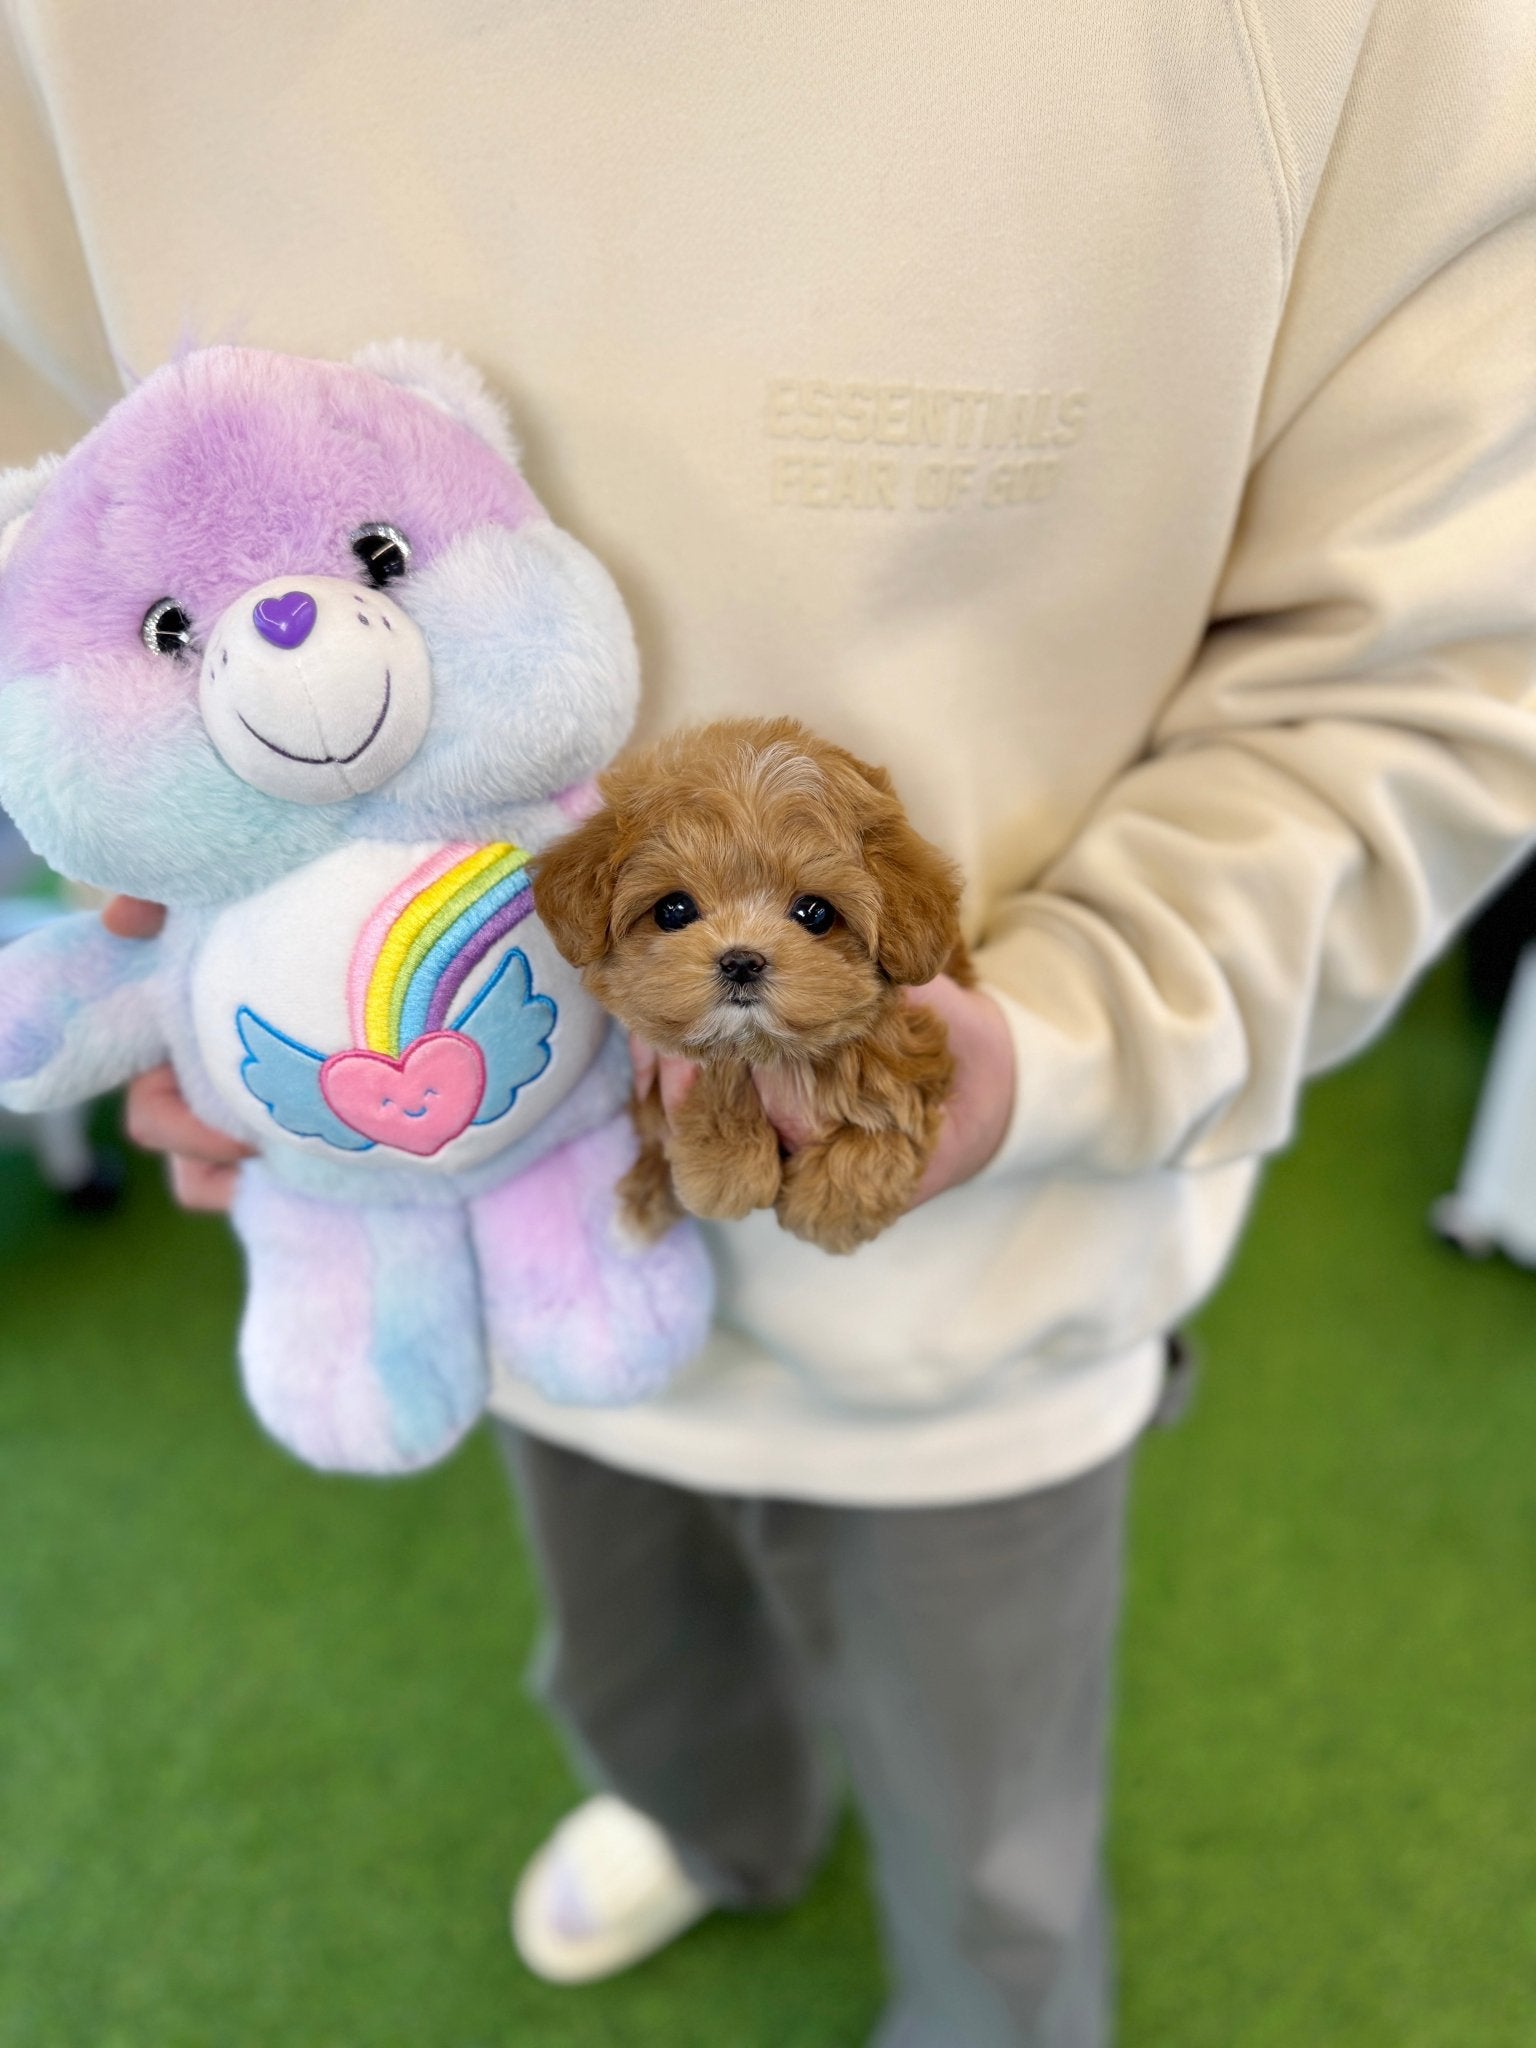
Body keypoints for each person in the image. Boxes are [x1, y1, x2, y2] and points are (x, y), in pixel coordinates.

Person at [4, 5, 1534, 2042]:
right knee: (628, 1653)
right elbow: (69, 515)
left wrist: (1062, 1032)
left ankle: (989, 1999)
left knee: (993, 1827)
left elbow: (1420, 669)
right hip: (501, 1208)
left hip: (990, 1275)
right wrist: (192, 944)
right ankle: (707, 1815)